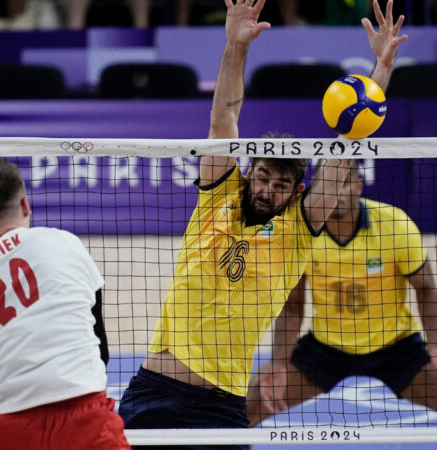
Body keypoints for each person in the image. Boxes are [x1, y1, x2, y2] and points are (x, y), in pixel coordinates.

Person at [118, 1, 353, 448]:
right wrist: (234, 45)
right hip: (155, 391)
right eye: (262, 177)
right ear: (248, 173)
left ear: (296, 192)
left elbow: (342, 157)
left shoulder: (297, 233)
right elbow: (223, 118)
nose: (267, 190)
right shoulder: (217, 198)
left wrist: (379, 74)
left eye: (281, 185)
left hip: (222, 404)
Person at [246, 2, 436, 420]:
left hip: (397, 348)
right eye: (334, 181)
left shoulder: (394, 224)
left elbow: (426, 288)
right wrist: (278, 361)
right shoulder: (301, 229)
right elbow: (293, 303)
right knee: (254, 401)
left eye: (348, 180)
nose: (339, 189)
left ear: (358, 184)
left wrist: (436, 350)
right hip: (324, 349)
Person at [0, 159, 131, 450]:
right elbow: (100, 346)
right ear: (25, 205)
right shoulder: (63, 242)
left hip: (15, 424)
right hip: (85, 414)